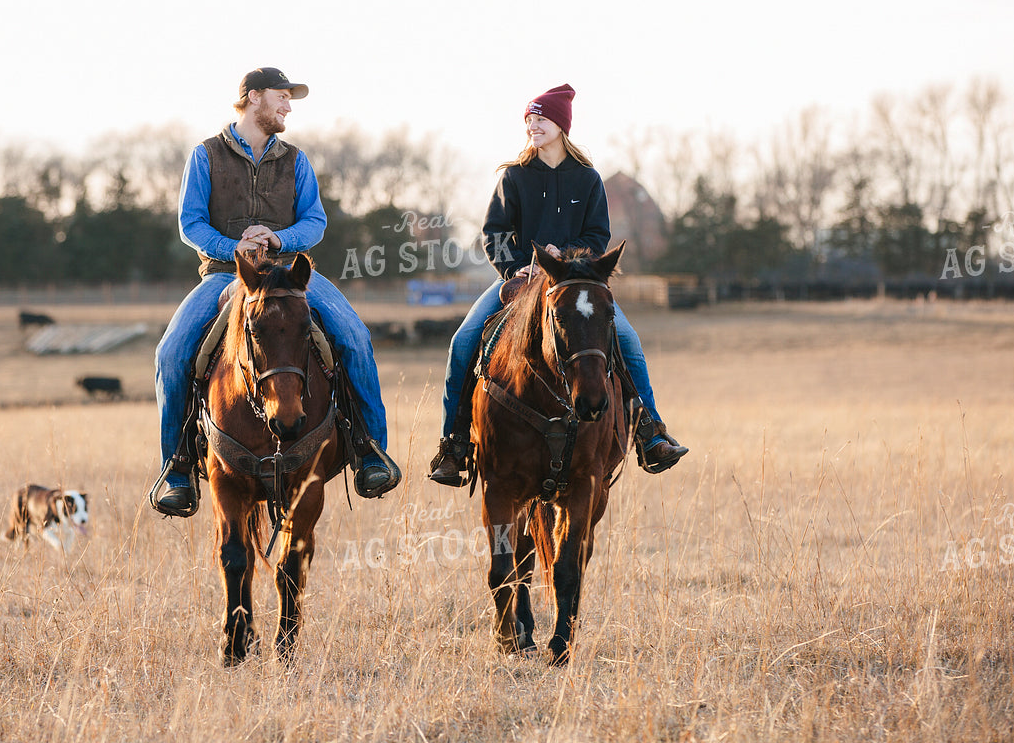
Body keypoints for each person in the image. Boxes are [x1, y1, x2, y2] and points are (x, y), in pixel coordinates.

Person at [149, 67, 401, 517]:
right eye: (282, 97)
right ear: (252, 98)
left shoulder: (296, 160)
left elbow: (315, 222)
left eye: (289, 100)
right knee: (171, 352)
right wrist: (235, 247)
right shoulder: (205, 155)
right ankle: (177, 469)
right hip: (225, 276)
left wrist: (281, 240)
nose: (288, 107)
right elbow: (190, 224)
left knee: (355, 337)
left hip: (288, 276)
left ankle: (369, 452)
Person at [428, 83, 688, 484]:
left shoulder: (588, 180)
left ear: (561, 125)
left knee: (629, 344)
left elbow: (598, 236)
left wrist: (565, 256)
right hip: (520, 281)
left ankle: (651, 434)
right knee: (462, 342)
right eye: (529, 119)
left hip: (574, 285)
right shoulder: (514, 178)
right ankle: (454, 445)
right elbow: (493, 233)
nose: (533, 125)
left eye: (541, 118)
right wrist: (515, 267)